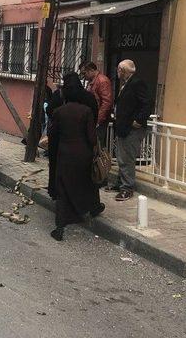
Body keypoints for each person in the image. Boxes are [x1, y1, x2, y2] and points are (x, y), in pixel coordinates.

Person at [47, 83, 104, 241]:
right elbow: (92, 138)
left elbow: (53, 134)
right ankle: (82, 211)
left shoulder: (59, 112)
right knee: (83, 183)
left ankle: (59, 227)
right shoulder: (86, 111)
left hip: (64, 154)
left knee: (63, 188)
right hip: (83, 155)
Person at [111, 59, 152, 201]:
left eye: (119, 70)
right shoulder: (127, 83)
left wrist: (139, 121)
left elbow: (146, 103)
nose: (117, 72)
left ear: (123, 70)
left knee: (127, 159)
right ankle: (120, 183)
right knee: (121, 156)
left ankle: (127, 188)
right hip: (124, 127)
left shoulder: (136, 83)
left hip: (131, 129)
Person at [81, 62, 113, 147]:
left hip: (98, 119)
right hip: (93, 117)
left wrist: (98, 119)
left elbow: (106, 102)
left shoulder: (102, 81)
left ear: (91, 70)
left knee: (97, 144)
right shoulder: (92, 81)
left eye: (84, 73)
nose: (84, 76)